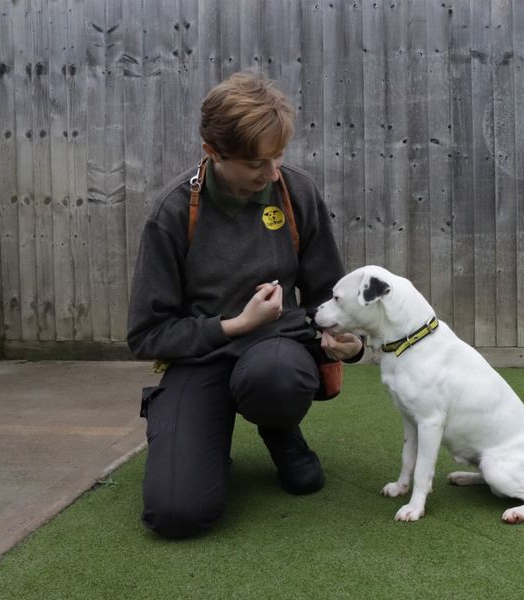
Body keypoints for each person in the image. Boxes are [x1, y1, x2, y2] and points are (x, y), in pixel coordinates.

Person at [127, 69, 363, 539]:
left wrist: (348, 345)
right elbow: (146, 335)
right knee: (177, 516)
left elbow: (326, 300)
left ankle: (279, 429)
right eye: (258, 163)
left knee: (274, 377)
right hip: (201, 360)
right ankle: (200, 440)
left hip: (276, 355)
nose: (272, 173)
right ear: (213, 153)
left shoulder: (297, 194)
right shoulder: (173, 212)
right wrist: (233, 325)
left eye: (278, 157)